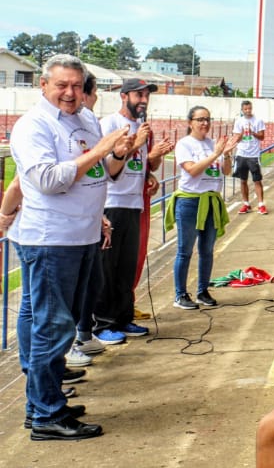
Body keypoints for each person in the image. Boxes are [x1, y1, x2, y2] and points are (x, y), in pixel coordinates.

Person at [11, 55, 130, 440]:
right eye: (61, 85)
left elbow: (103, 173)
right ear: (43, 85)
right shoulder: (33, 126)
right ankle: (47, 413)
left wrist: (119, 152)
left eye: (77, 86)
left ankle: (40, 404)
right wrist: (101, 151)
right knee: (53, 327)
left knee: (56, 322)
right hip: (51, 238)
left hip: (82, 234)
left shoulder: (86, 119)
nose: (70, 93)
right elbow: (48, 180)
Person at [94, 78, 172, 342]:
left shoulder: (142, 128)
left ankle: (124, 318)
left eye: (146, 95)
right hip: (112, 203)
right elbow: (106, 166)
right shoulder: (109, 125)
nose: (143, 100)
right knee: (108, 268)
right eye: (138, 95)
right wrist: (137, 145)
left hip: (134, 204)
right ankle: (103, 324)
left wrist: (151, 174)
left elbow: (144, 166)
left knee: (127, 267)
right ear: (124, 96)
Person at [169, 105, 233, 310]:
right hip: (190, 201)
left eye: (207, 119)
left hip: (211, 201)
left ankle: (202, 290)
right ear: (190, 123)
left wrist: (228, 154)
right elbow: (192, 170)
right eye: (200, 119)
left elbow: (227, 171)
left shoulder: (212, 143)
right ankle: (180, 294)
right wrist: (215, 154)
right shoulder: (185, 144)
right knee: (185, 250)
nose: (205, 123)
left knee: (207, 250)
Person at [233, 100, 268, 214]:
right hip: (241, 154)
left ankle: (261, 204)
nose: (248, 111)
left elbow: (262, 137)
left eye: (249, 108)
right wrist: (242, 133)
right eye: (245, 109)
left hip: (253, 155)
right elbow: (236, 139)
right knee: (243, 180)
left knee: (257, 180)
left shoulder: (258, 121)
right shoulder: (238, 121)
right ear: (242, 110)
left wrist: (253, 133)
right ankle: (246, 204)